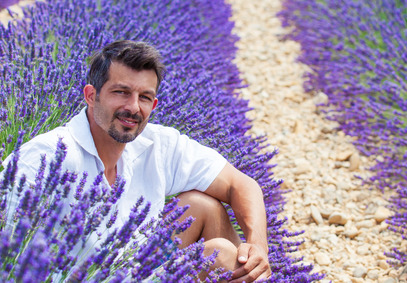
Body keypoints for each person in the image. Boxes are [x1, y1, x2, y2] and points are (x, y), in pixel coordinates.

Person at [4, 40, 271, 282]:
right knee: (221, 254)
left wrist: (258, 246)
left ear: (153, 106)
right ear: (91, 95)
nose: (133, 107)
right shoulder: (45, 158)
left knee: (203, 206)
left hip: (132, 270)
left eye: (144, 97)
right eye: (121, 92)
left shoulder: (159, 144)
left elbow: (241, 184)